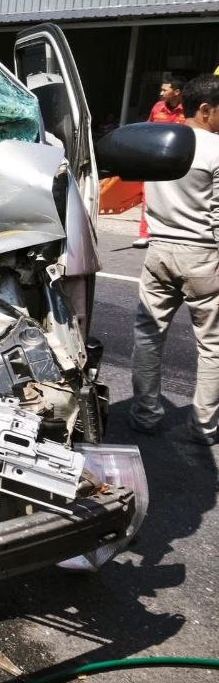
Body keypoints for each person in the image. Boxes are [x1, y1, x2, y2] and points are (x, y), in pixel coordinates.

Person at [131, 74, 219, 446]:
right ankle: (203, 426)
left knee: (148, 335)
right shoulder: (216, 149)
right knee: (213, 345)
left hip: (159, 251)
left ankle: (145, 415)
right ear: (204, 109)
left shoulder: (158, 141)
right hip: (203, 255)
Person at [135, 76, 188, 248]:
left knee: (176, 199)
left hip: (179, 165)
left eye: (165, 90)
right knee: (148, 196)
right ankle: (145, 233)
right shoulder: (157, 107)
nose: (161, 93)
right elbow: (148, 129)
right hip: (155, 162)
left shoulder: (188, 110)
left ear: (177, 92)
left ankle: (174, 234)